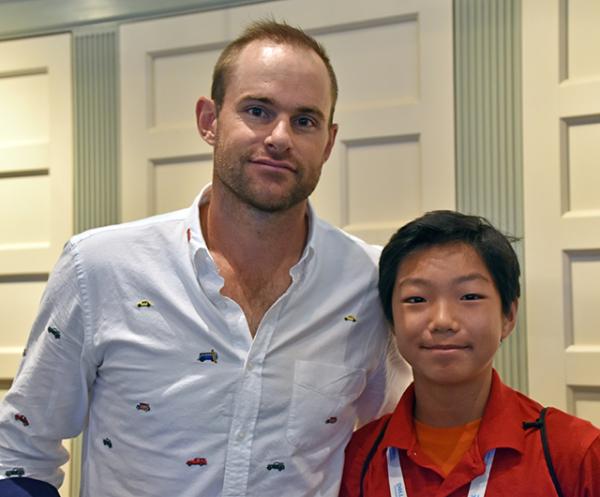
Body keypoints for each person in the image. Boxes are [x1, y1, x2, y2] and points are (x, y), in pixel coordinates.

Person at [0, 20, 411, 497]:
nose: (280, 137)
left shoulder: (369, 281)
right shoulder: (99, 269)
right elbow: (20, 452)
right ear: (209, 121)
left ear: (329, 141)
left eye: (305, 120)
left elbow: (401, 438)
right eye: (258, 111)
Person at [339, 210, 600, 497]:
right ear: (392, 320)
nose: (442, 321)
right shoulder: (358, 459)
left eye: (470, 297)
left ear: (508, 316)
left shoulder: (575, 454)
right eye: (416, 299)